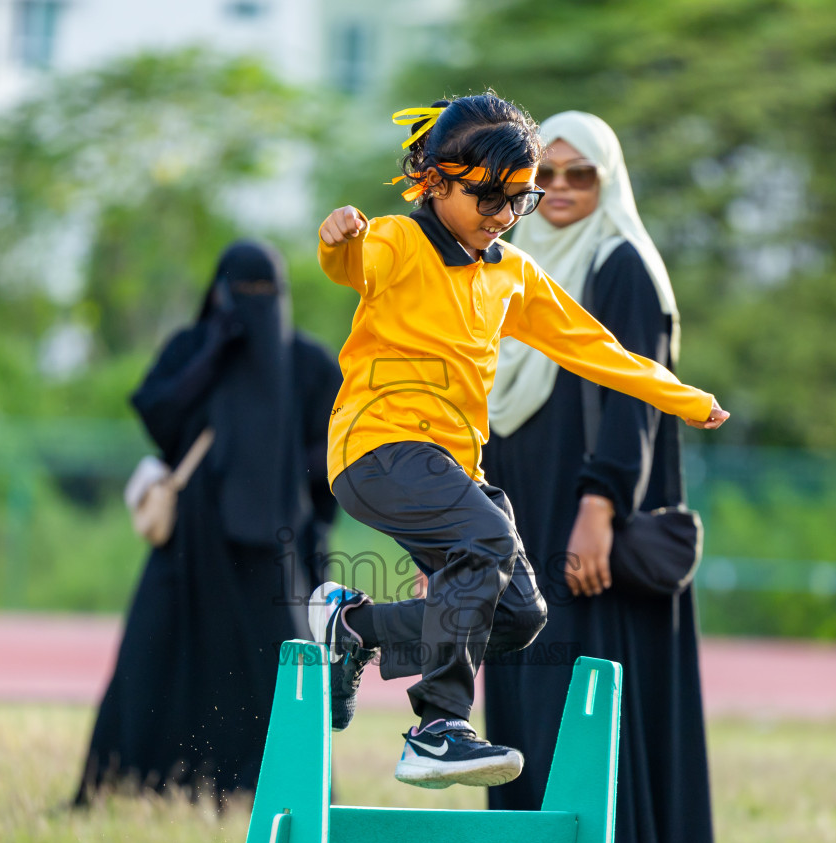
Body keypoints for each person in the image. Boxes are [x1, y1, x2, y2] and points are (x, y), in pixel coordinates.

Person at [306, 93, 729, 791]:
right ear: (435, 181)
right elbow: (349, 265)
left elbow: (593, 347)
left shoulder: (510, 274)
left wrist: (684, 398)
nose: (503, 216)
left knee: (518, 613)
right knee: (489, 544)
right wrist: (338, 239)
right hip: (378, 446)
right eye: (489, 197)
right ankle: (437, 729)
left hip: (449, 463)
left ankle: (357, 627)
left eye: (518, 201)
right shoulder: (397, 243)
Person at [481, 112, 722, 843]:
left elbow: (634, 395)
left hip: (584, 525)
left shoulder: (622, 265)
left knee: (578, 702)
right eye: (542, 175)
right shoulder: (510, 266)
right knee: (523, 701)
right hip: (519, 519)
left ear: (608, 181)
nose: (559, 191)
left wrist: (598, 507)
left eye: (580, 175)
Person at [74, 241, 342, 807]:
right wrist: (214, 352)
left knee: (280, 670)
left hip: (273, 547)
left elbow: (333, 458)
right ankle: (140, 783)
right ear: (217, 297)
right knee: (153, 654)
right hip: (190, 543)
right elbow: (157, 415)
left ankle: (281, 788)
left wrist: (306, 519)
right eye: (241, 294)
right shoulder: (193, 349)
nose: (253, 307)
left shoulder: (309, 364)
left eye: (264, 295)